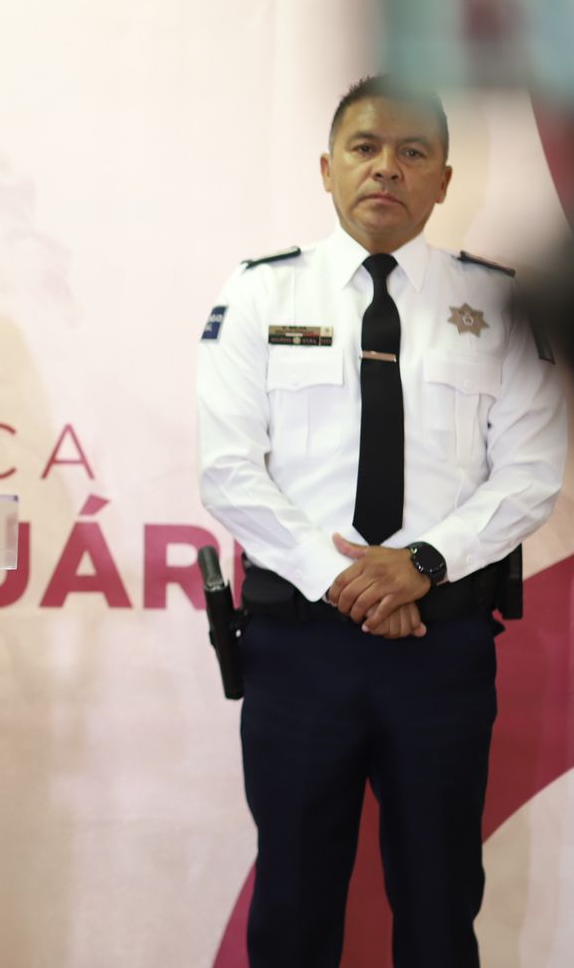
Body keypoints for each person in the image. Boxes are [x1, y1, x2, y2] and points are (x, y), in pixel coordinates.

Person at [196, 75, 567, 967]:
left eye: (412, 152)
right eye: (364, 148)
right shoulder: (260, 295)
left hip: (440, 651)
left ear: (443, 179)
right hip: (298, 649)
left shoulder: (501, 305)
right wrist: (348, 582)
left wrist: (421, 565)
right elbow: (228, 471)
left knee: (440, 910)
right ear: (328, 169)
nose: (386, 169)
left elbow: (531, 473)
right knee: (291, 910)